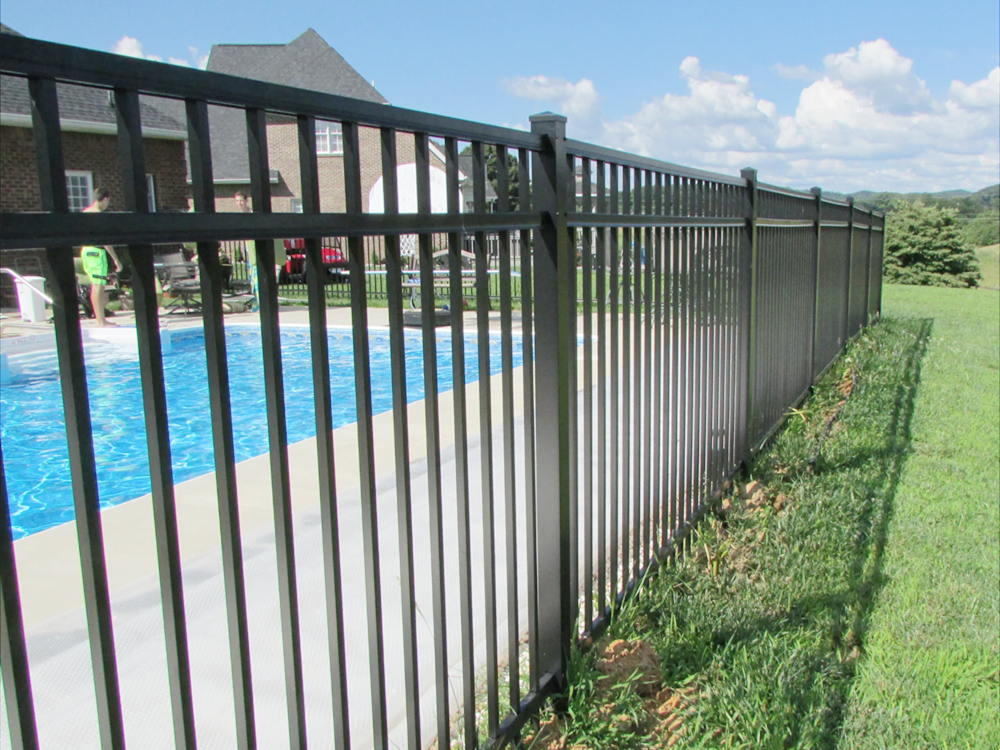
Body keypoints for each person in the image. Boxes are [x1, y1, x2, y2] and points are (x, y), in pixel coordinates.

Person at [80, 188, 122, 326]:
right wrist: (116, 259)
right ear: (104, 199)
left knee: (96, 285)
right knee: (98, 285)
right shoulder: (99, 215)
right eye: (108, 201)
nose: (107, 205)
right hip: (97, 252)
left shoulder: (85, 212)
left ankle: (100, 318)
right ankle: (101, 320)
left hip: (85, 250)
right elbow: (105, 241)